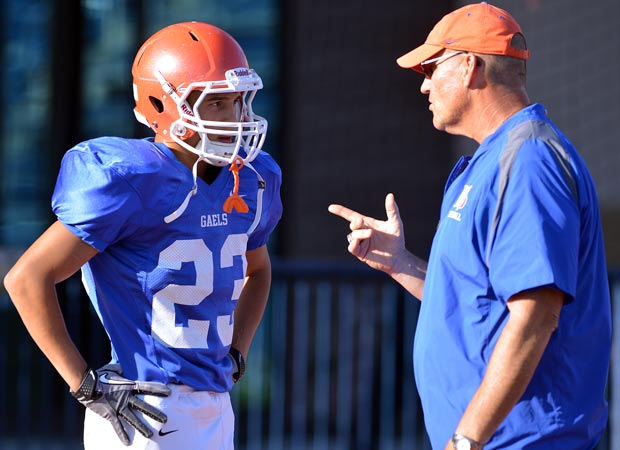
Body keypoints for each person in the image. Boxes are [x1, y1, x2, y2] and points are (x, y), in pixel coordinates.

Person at [329, 3, 611, 449]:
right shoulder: (493, 160)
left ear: (468, 67)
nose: (423, 85)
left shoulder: (528, 161)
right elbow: (480, 305)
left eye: (429, 67)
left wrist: (466, 439)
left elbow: (536, 313)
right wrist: (401, 263)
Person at [3, 21, 282, 449]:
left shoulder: (252, 179)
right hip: (144, 405)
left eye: (241, 101)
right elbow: (26, 278)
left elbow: (258, 270)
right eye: (218, 103)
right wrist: (86, 385)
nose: (238, 118)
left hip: (215, 404)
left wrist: (238, 351)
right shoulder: (131, 178)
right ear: (161, 103)